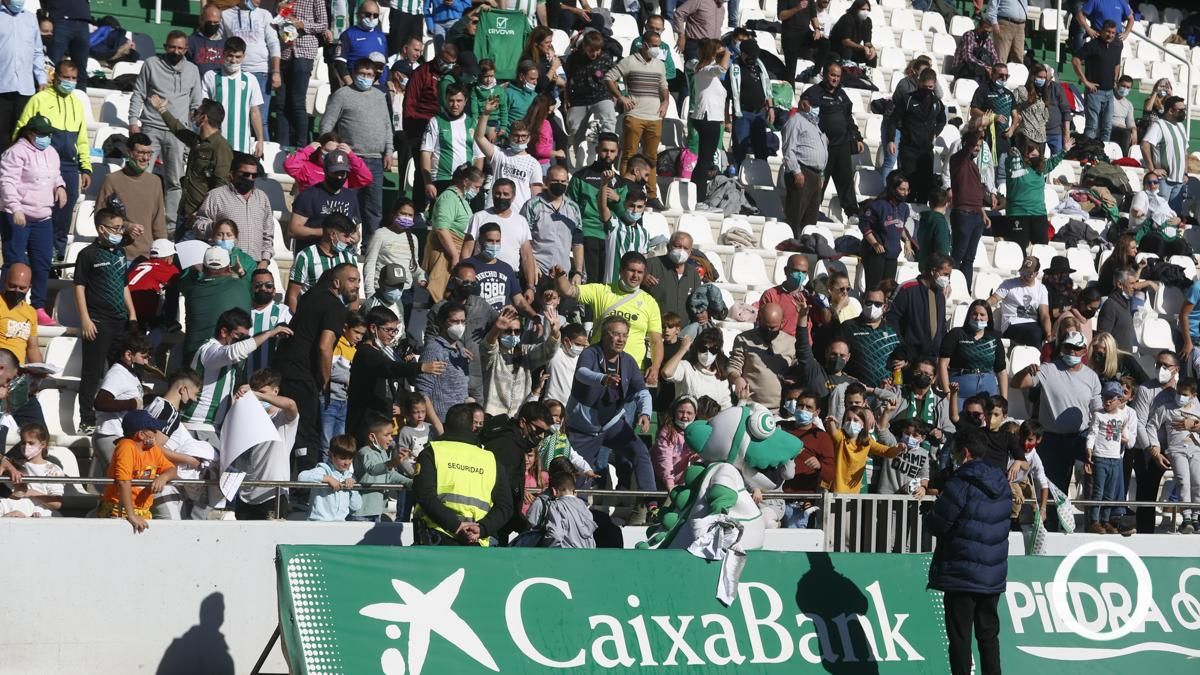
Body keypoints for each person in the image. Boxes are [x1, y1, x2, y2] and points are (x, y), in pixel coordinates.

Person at [926, 428, 1011, 675]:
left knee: (960, 639)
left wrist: (930, 514)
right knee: (988, 637)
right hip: (992, 575)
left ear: (964, 452)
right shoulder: (1001, 482)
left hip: (961, 573)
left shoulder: (961, 482)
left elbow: (939, 523)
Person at [1011, 330, 1101, 530]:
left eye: (1077, 348)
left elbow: (1098, 409)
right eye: (1068, 347)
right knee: (1052, 488)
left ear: (1084, 351)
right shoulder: (1048, 369)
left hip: (1081, 438)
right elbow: (1016, 383)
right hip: (1051, 440)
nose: (1072, 351)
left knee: (1091, 482)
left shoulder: (1092, 377)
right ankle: (1051, 528)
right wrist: (1026, 370)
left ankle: (1091, 524)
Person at [274, 263, 359, 470]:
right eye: (351, 280)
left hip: (282, 369)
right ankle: (303, 486)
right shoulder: (335, 307)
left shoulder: (311, 296)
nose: (356, 286)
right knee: (307, 432)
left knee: (286, 428)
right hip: (301, 375)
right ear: (336, 283)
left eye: (358, 281)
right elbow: (324, 347)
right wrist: (325, 381)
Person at [564, 316, 656, 493]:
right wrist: (603, 379)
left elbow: (642, 391)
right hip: (584, 428)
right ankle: (576, 508)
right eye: (616, 334)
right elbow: (582, 373)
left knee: (640, 452)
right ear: (605, 335)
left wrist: (645, 412)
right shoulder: (590, 353)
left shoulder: (628, 361)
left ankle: (651, 503)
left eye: (625, 335)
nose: (621, 339)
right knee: (579, 474)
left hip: (612, 423)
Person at [12, 60, 89, 263]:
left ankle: (57, 255)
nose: (70, 82)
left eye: (73, 79)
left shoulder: (77, 103)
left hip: (70, 167)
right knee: (41, 209)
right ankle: (29, 255)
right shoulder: (39, 99)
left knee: (64, 213)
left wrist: (86, 167)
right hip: (42, 163)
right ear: (55, 77)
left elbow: (81, 139)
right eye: (66, 77)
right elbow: (22, 127)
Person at [129, 32, 204, 232]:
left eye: (180, 48)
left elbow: (196, 103)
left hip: (178, 131)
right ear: (165, 45)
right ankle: (138, 218)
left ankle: (171, 227)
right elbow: (139, 92)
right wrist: (132, 122)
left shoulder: (193, 70)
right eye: (172, 47)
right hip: (151, 126)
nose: (176, 51)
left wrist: (196, 129)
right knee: (142, 174)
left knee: (175, 180)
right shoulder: (151, 64)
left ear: (186, 50)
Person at [552, 252, 663, 385]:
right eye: (631, 270)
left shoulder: (650, 302)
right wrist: (560, 277)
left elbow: (656, 341)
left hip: (631, 371)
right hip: (599, 367)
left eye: (640, 272)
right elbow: (568, 291)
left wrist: (655, 367)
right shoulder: (601, 291)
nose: (635, 276)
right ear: (621, 271)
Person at [413, 402, 514, 545]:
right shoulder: (491, 459)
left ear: (445, 426)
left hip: (436, 538)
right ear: (472, 427)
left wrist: (456, 525)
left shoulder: (432, 452)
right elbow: (505, 506)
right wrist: (482, 528)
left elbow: (424, 495)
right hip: (475, 541)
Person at [74, 209, 138, 434]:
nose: (120, 232)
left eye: (122, 228)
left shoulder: (120, 252)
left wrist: (132, 314)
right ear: (101, 229)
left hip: (120, 321)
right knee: (92, 373)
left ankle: (119, 416)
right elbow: (79, 287)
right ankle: (87, 418)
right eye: (115, 228)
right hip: (97, 322)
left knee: (120, 371)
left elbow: (123, 286)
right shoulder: (88, 254)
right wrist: (85, 319)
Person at [0, 115, 66, 326]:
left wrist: (60, 187)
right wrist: (15, 208)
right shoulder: (15, 152)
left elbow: (55, 175)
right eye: (41, 134)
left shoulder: (52, 152)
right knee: (15, 262)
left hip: (42, 217)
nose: (46, 138)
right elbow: (7, 181)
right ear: (30, 133)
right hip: (18, 216)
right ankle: (5, 304)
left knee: (42, 262)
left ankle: (37, 306)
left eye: (48, 134)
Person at [320, 58, 394, 242]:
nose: (366, 78)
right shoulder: (342, 95)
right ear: (353, 74)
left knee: (374, 208)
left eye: (369, 75)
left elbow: (387, 125)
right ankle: (346, 244)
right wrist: (331, 146)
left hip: (375, 160)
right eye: (362, 74)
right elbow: (327, 124)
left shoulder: (380, 95)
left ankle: (370, 247)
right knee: (347, 206)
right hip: (349, 160)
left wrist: (389, 151)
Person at [604, 31, 668, 211]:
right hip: (635, 115)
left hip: (655, 116)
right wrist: (621, 97)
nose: (656, 49)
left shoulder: (659, 65)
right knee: (629, 155)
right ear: (644, 44)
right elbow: (609, 77)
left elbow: (664, 87)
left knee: (652, 157)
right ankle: (625, 190)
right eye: (654, 45)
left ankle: (652, 194)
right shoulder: (629, 61)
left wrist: (665, 101)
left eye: (659, 45)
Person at [149, 96, 232, 226]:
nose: (193, 116)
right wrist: (161, 109)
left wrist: (202, 211)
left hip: (202, 216)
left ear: (204, 118)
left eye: (196, 113)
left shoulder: (221, 146)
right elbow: (178, 129)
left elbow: (220, 186)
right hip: (185, 211)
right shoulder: (198, 141)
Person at [801, 63, 863, 225]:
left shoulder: (842, 94)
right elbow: (804, 112)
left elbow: (849, 118)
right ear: (825, 74)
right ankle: (811, 211)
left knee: (846, 180)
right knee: (820, 181)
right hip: (822, 146)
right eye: (832, 75)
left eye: (837, 76)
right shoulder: (814, 92)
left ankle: (852, 213)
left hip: (842, 145)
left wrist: (857, 137)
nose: (835, 79)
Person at [189, 153, 275, 267]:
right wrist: (216, 227)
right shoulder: (216, 196)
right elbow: (198, 225)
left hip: (254, 265)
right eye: (245, 174)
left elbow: (268, 234)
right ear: (232, 174)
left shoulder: (262, 198)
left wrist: (265, 260)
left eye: (254, 175)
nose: (250, 178)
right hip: (224, 263)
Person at [98, 411, 177, 532]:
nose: (156, 433)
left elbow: (172, 470)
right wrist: (131, 515)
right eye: (153, 430)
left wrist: (164, 477)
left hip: (142, 511)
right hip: (118, 511)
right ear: (141, 435)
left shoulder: (153, 449)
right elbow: (123, 482)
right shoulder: (126, 446)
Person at [402, 44, 457, 212]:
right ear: (439, 58)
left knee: (443, 172)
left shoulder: (454, 76)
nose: (449, 66)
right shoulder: (422, 73)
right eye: (446, 62)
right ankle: (418, 209)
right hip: (422, 129)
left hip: (446, 130)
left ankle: (439, 209)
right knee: (423, 172)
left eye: (453, 63)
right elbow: (410, 105)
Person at [96, 133, 166, 261]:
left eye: (149, 153)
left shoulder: (155, 182)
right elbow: (100, 217)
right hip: (116, 255)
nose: (145, 158)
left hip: (146, 256)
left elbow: (159, 221)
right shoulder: (112, 180)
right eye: (141, 153)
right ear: (129, 152)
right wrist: (126, 227)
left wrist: (163, 249)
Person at [179, 247, 254, 365]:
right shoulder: (241, 286)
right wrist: (239, 273)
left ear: (203, 268)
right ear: (229, 267)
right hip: (230, 360)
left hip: (194, 361)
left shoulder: (193, 290)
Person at [567, 132, 625, 283]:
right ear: (597, 150)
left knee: (608, 282)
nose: (608, 155)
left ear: (618, 152)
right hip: (588, 233)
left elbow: (624, 215)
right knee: (591, 281)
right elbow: (570, 207)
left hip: (611, 236)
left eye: (612, 151)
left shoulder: (620, 182)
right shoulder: (581, 176)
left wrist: (618, 200)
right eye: (605, 150)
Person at [422, 165, 484, 302]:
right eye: (477, 186)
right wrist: (454, 256)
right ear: (466, 182)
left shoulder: (462, 200)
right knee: (441, 298)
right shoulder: (448, 197)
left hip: (458, 252)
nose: (478, 191)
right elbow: (442, 229)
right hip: (446, 254)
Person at [1146, 377, 1200, 533]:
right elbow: (1151, 426)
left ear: (1193, 395)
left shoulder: (1197, 410)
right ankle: (1186, 517)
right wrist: (1155, 446)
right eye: (1178, 392)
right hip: (1176, 450)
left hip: (1196, 449)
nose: (1180, 396)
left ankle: (1196, 516)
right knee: (1184, 481)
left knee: (1198, 482)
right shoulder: (1166, 408)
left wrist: (1195, 426)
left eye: (1185, 394)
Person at [885, 69, 945, 204]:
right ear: (919, 83)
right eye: (925, 86)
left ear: (934, 85)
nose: (928, 90)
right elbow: (893, 120)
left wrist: (936, 132)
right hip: (909, 150)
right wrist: (890, 140)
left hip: (926, 152)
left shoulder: (936, 102)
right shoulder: (907, 99)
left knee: (925, 187)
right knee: (908, 186)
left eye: (931, 87)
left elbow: (942, 120)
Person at [1085, 380, 1136, 532]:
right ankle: (1095, 520)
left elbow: (1125, 432)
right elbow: (1092, 433)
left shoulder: (1124, 415)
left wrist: (1125, 439)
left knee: (1109, 493)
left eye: (1111, 398)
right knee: (1098, 491)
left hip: (1115, 458)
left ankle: (1105, 520)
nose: (1107, 401)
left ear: (1119, 400)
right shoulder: (1098, 415)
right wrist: (1089, 448)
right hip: (1100, 456)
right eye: (1105, 397)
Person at [220, 0, 278, 133]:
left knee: (261, 120)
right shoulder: (226, 15)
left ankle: (263, 151)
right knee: (237, 118)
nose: (259, 0)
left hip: (261, 72)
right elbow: (222, 43)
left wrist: (275, 71)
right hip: (235, 72)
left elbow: (273, 43)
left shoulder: (264, 14)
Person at [728, 303, 798, 414]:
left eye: (773, 328)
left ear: (782, 323)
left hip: (781, 410)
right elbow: (733, 367)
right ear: (759, 320)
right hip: (752, 407)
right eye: (765, 327)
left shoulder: (791, 342)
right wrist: (736, 378)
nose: (769, 331)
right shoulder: (743, 339)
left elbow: (799, 369)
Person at [276, 0, 328, 148]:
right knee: (281, 104)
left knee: (297, 101)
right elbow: (276, 21)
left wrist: (303, 24)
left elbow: (323, 24)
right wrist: (281, 12)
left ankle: (301, 146)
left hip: (304, 51)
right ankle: (282, 146)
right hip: (284, 49)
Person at [462, 179, 535, 283]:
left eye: (506, 194)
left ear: (513, 197)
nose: (501, 197)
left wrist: (530, 286)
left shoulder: (521, 221)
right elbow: (467, 251)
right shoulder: (479, 217)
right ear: (492, 194)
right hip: (481, 275)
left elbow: (527, 256)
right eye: (498, 193)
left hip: (510, 278)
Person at [563, 31, 617, 169]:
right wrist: (566, 98)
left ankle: (607, 148)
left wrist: (615, 95)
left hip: (601, 95)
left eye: (597, 50)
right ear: (584, 47)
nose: (594, 53)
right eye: (591, 50)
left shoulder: (605, 58)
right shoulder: (574, 58)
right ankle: (579, 164)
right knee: (575, 130)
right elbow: (567, 80)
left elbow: (612, 78)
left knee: (609, 116)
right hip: (579, 99)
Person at [940, 300, 1008, 405]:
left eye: (982, 314)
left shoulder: (994, 338)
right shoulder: (956, 334)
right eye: (975, 314)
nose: (978, 317)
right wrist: (947, 393)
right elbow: (943, 364)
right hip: (960, 392)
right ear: (969, 315)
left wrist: (1004, 401)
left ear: (988, 317)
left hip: (987, 391)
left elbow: (1001, 371)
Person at [287, 213, 358, 312]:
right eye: (345, 236)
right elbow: (292, 295)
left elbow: (354, 294)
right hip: (312, 318)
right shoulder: (305, 256)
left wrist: (352, 320)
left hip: (341, 320)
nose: (348, 240)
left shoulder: (349, 258)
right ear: (333, 235)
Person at [522, 164, 583, 279]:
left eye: (562, 181)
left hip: (563, 274)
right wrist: (532, 265)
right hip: (538, 272)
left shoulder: (573, 208)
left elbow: (578, 242)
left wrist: (578, 272)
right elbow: (524, 240)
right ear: (546, 181)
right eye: (555, 181)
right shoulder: (532, 205)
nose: (559, 184)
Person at [415, 302, 473, 422]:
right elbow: (423, 392)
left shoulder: (461, 350)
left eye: (463, 321)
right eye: (454, 322)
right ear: (442, 322)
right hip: (443, 422)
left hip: (461, 421)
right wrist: (438, 426)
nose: (460, 326)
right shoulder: (433, 350)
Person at [887, 255, 952, 360]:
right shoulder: (907, 289)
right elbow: (892, 320)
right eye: (945, 274)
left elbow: (942, 326)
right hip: (910, 358)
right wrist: (902, 350)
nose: (947, 279)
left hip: (933, 358)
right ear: (933, 271)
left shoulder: (940, 295)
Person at [349, 411, 410, 522]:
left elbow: (390, 475)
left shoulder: (382, 453)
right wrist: (392, 463)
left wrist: (409, 481)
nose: (391, 438)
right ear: (372, 437)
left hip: (378, 511)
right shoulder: (364, 452)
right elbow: (372, 469)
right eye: (387, 435)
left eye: (391, 434)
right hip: (362, 512)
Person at [1003, 139, 1063, 251]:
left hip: (1039, 214)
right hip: (1018, 214)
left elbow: (1053, 162)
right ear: (1025, 154)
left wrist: (1065, 150)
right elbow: (1010, 160)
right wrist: (1012, 155)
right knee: (1018, 251)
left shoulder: (1040, 168)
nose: (1036, 157)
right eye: (1032, 155)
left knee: (1042, 250)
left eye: (1037, 155)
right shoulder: (1014, 166)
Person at [0, 0, 45, 144]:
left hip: (25, 88)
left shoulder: (31, 19)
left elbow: (37, 52)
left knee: (21, 135)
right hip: (2, 86)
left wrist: (41, 78)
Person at [781, 100, 828, 238]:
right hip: (802, 171)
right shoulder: (795, 121)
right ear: (803, 104)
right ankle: (792, 243)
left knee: (810, 218)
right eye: (813, 103)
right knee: (796, 215)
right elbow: (788, 148)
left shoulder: (815, 125)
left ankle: (805, 244)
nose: (816, 108)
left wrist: (822, 175)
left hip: (815, 174)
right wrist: (796, 171)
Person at [840, 285, 899, 391]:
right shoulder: (848, 326)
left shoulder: (892, 329)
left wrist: (905, 362)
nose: (872, 307)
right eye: (869, 302)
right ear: (863, 303)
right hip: (856, 394)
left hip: (886, 392)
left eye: (877, 304)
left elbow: (904, 352)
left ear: (885, 307)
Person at [858, 171, 911, 290]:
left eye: (907, 190)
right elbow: (864, 225)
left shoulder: (904, 208)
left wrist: (907, 240)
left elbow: (899, 226)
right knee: (874, 289)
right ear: (893, 188)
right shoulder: (878, 205)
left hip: (892, 253)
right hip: (875, 253)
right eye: (902, 189)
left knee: (888, 289)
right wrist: (874, 243)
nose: (905, 193)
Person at [1071, 20, 1122, 142]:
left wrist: (1115, 80)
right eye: (1108, 32)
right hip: (1095, 92)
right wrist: (1085, 82)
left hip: (1109, 92)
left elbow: (1117, 64)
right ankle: (1088, 153)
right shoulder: (1092, 45)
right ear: (1102, 31)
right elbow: (1075, 60)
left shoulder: (1117, 45)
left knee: (1107, 127)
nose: (1110, 35)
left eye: (1113, 33)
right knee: (1092, 126)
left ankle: (1103, 154)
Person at [0, 422, 63, 518]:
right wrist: (7, 464)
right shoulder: (13, 464)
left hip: (38, 514)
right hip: (9, 508)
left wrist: (30, 492)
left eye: (31, 443)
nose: (26, 446)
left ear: (43, 444)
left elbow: (56, 503)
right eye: (23, 443)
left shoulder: (53, 470)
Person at [1140, 96, 1190, 215]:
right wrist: (1152, 169)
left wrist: (1185, 173)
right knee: (1159, 215)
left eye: (1184, 109)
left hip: (1179, 181)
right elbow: (1144, 144)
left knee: (1174, 217)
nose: (1184, 113)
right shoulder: (1159, 125)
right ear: (1170, 110)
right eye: (1181, 110)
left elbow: (1185, 152)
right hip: (1164, 181)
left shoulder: (1181, 127)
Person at [988, 256, 1051, 347]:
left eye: (1029, 274)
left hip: (1032, 325)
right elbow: (994, 298)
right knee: (1035, 334)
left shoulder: (1041, 288)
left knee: (1041, 334)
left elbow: (1044, 314)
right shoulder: (1009, 284)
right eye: (1022, 272)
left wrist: (1048, 334)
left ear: (1036, 274)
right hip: (1012, 323)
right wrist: (981, 305)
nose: (1024, 276)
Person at [297, 435, 362, 521]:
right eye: (342, 458)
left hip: (340, 525)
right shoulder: (323, 470)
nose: (347, 462)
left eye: (350, 458)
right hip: (318, 524)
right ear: (331, 455)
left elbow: (356, 507)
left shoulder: (350, 477)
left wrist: (353, 489)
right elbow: (301, 477)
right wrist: (327, 479)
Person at [644, 232, 701, 324]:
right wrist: (642, 278)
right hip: (654, 328)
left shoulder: (693, 273)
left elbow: (698, 300)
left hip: (681, 331)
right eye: (677, 246)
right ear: (668, 246)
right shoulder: (651, 264)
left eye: (686, 248)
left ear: (690, 252)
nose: (681, 251)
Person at [1130, 172, 1189, 257]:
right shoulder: (1142, 195)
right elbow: (1136, 209)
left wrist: (1178, 220)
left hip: (1164, 232)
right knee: (1158, 243)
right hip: (1142, 234)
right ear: (1144, 185)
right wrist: (1137, 213)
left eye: (1155, 182)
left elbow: (1169, 213)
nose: (1152, 185)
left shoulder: (1160, 199)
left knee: (1181, 246)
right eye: (1149, 182)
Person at [42, 0, 91, 92]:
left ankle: (80, 99)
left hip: (83, 21)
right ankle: (48, 96)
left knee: (81, 68)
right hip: (60, 18)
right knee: (52, 65)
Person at [1096, 268, 1137, 349]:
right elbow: (1103, 338)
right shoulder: (1110, 305)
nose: (1135, 287)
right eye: (1131, 283)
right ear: (1120, 285)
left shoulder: (1126, 302)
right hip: (1114, 358)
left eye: (1135, 283)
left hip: (1125, 357)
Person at [916, 187, 951, 276]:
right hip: (936, 271)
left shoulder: (924, 220)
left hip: (924, 266)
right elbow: (942, 249)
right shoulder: (940, 222)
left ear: (930, 203)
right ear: (946, 204)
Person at [829, 0, 876, 65]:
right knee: (848, 50)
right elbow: (845, 42)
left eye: (868, 10)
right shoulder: (847, 18)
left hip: (853, 50)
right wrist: (863, 48)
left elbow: (867, 42)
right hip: (837, 48)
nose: (866, 12)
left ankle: (868, 73)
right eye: (863, 9)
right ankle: (845, 70)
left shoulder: (867, 21)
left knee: (872, 54)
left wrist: (871, 48)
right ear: (855, 9)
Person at [954, 17, 998, 82]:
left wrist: (996, 69)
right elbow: (968, 57)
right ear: (979, 27)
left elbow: (994, 56)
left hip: (980, 69)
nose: (987, 34)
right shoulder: (969, 35)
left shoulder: (988, 39)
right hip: (962, 68)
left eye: (989, 32)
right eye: (985, 31)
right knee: (980, 71)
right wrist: (986, 67)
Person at [187, 4, 225, 77]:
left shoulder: (225, 43)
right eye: (209, 22)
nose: (212, 25)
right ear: (201, 19)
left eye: (216, 22)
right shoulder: (191, 41)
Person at [1109, 74, 1137, 156]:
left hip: (1123, 130)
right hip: (1110, 129)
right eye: (1123, 86)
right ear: (1117, 84)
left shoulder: (1129, 104)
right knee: (1126, 133)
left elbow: (1130, 121)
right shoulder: (1109, 98)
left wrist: (1134, 130)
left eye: (1128, 87)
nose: (1125, 89)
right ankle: (1124, 157)